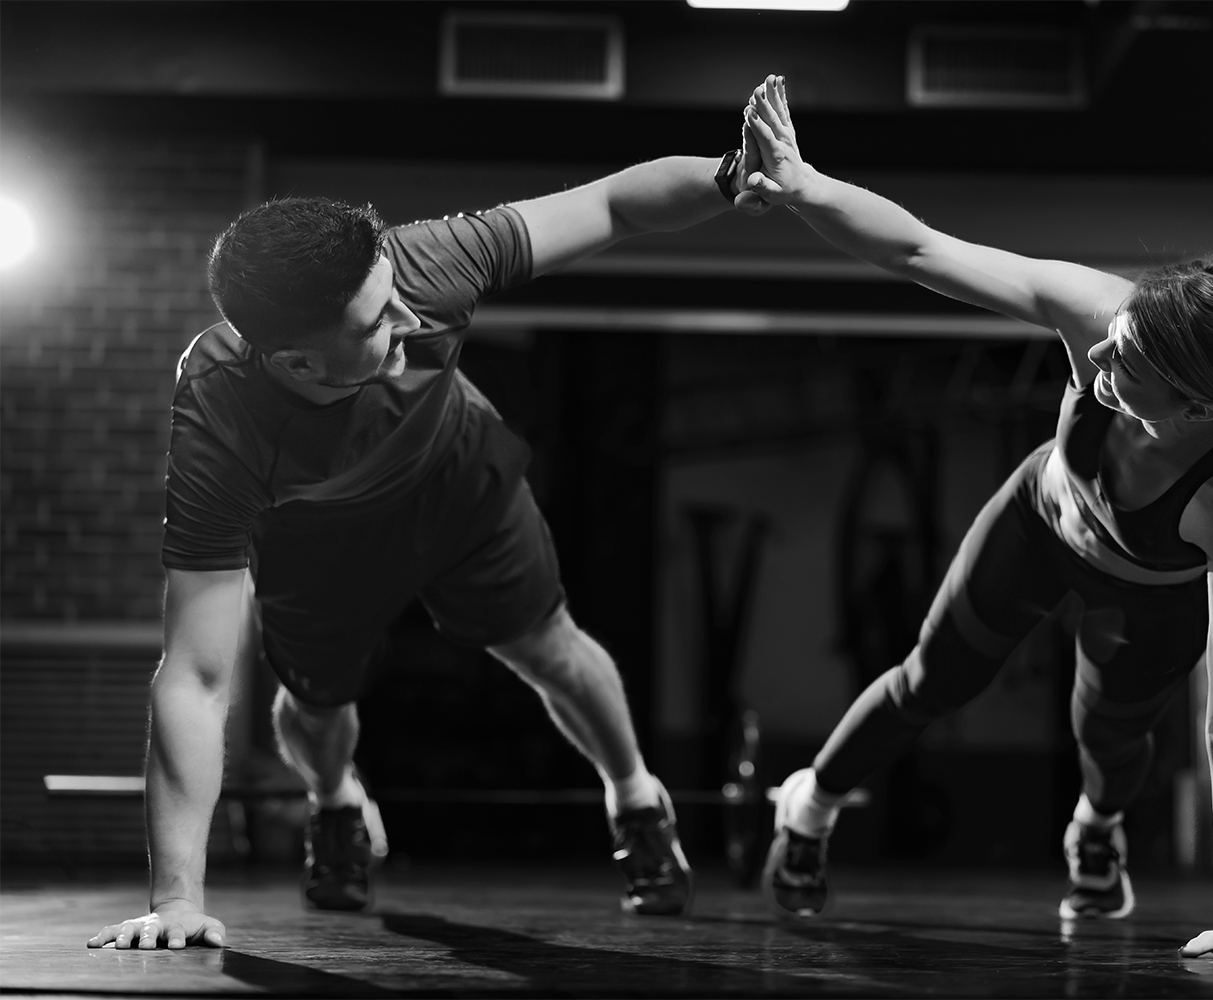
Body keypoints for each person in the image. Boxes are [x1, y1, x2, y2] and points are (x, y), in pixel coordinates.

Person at [87, 138, 772, 951]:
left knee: (550, 649)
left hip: (458, 485)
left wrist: (731, 177)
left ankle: (634, 799)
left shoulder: (423, 264)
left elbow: (613, 204)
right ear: (298, 360)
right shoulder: (219, 418)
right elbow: (197, 678)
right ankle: (337, 801)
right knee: (314, 707)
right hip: (317, 543)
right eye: (379, 321)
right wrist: (175, 900)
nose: (409, 313)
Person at [742, 76, 1213, 961]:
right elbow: (919, 251)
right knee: (929, 683)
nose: (1098, 352)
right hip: (1039, 519)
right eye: (1116, 333)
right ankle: (809, 804)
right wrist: (805, 184)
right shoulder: (1102, 311)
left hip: (1148, 592)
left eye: (1126, 363)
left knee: (1111, 736)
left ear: (1197, 409)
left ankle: (1095, 826)